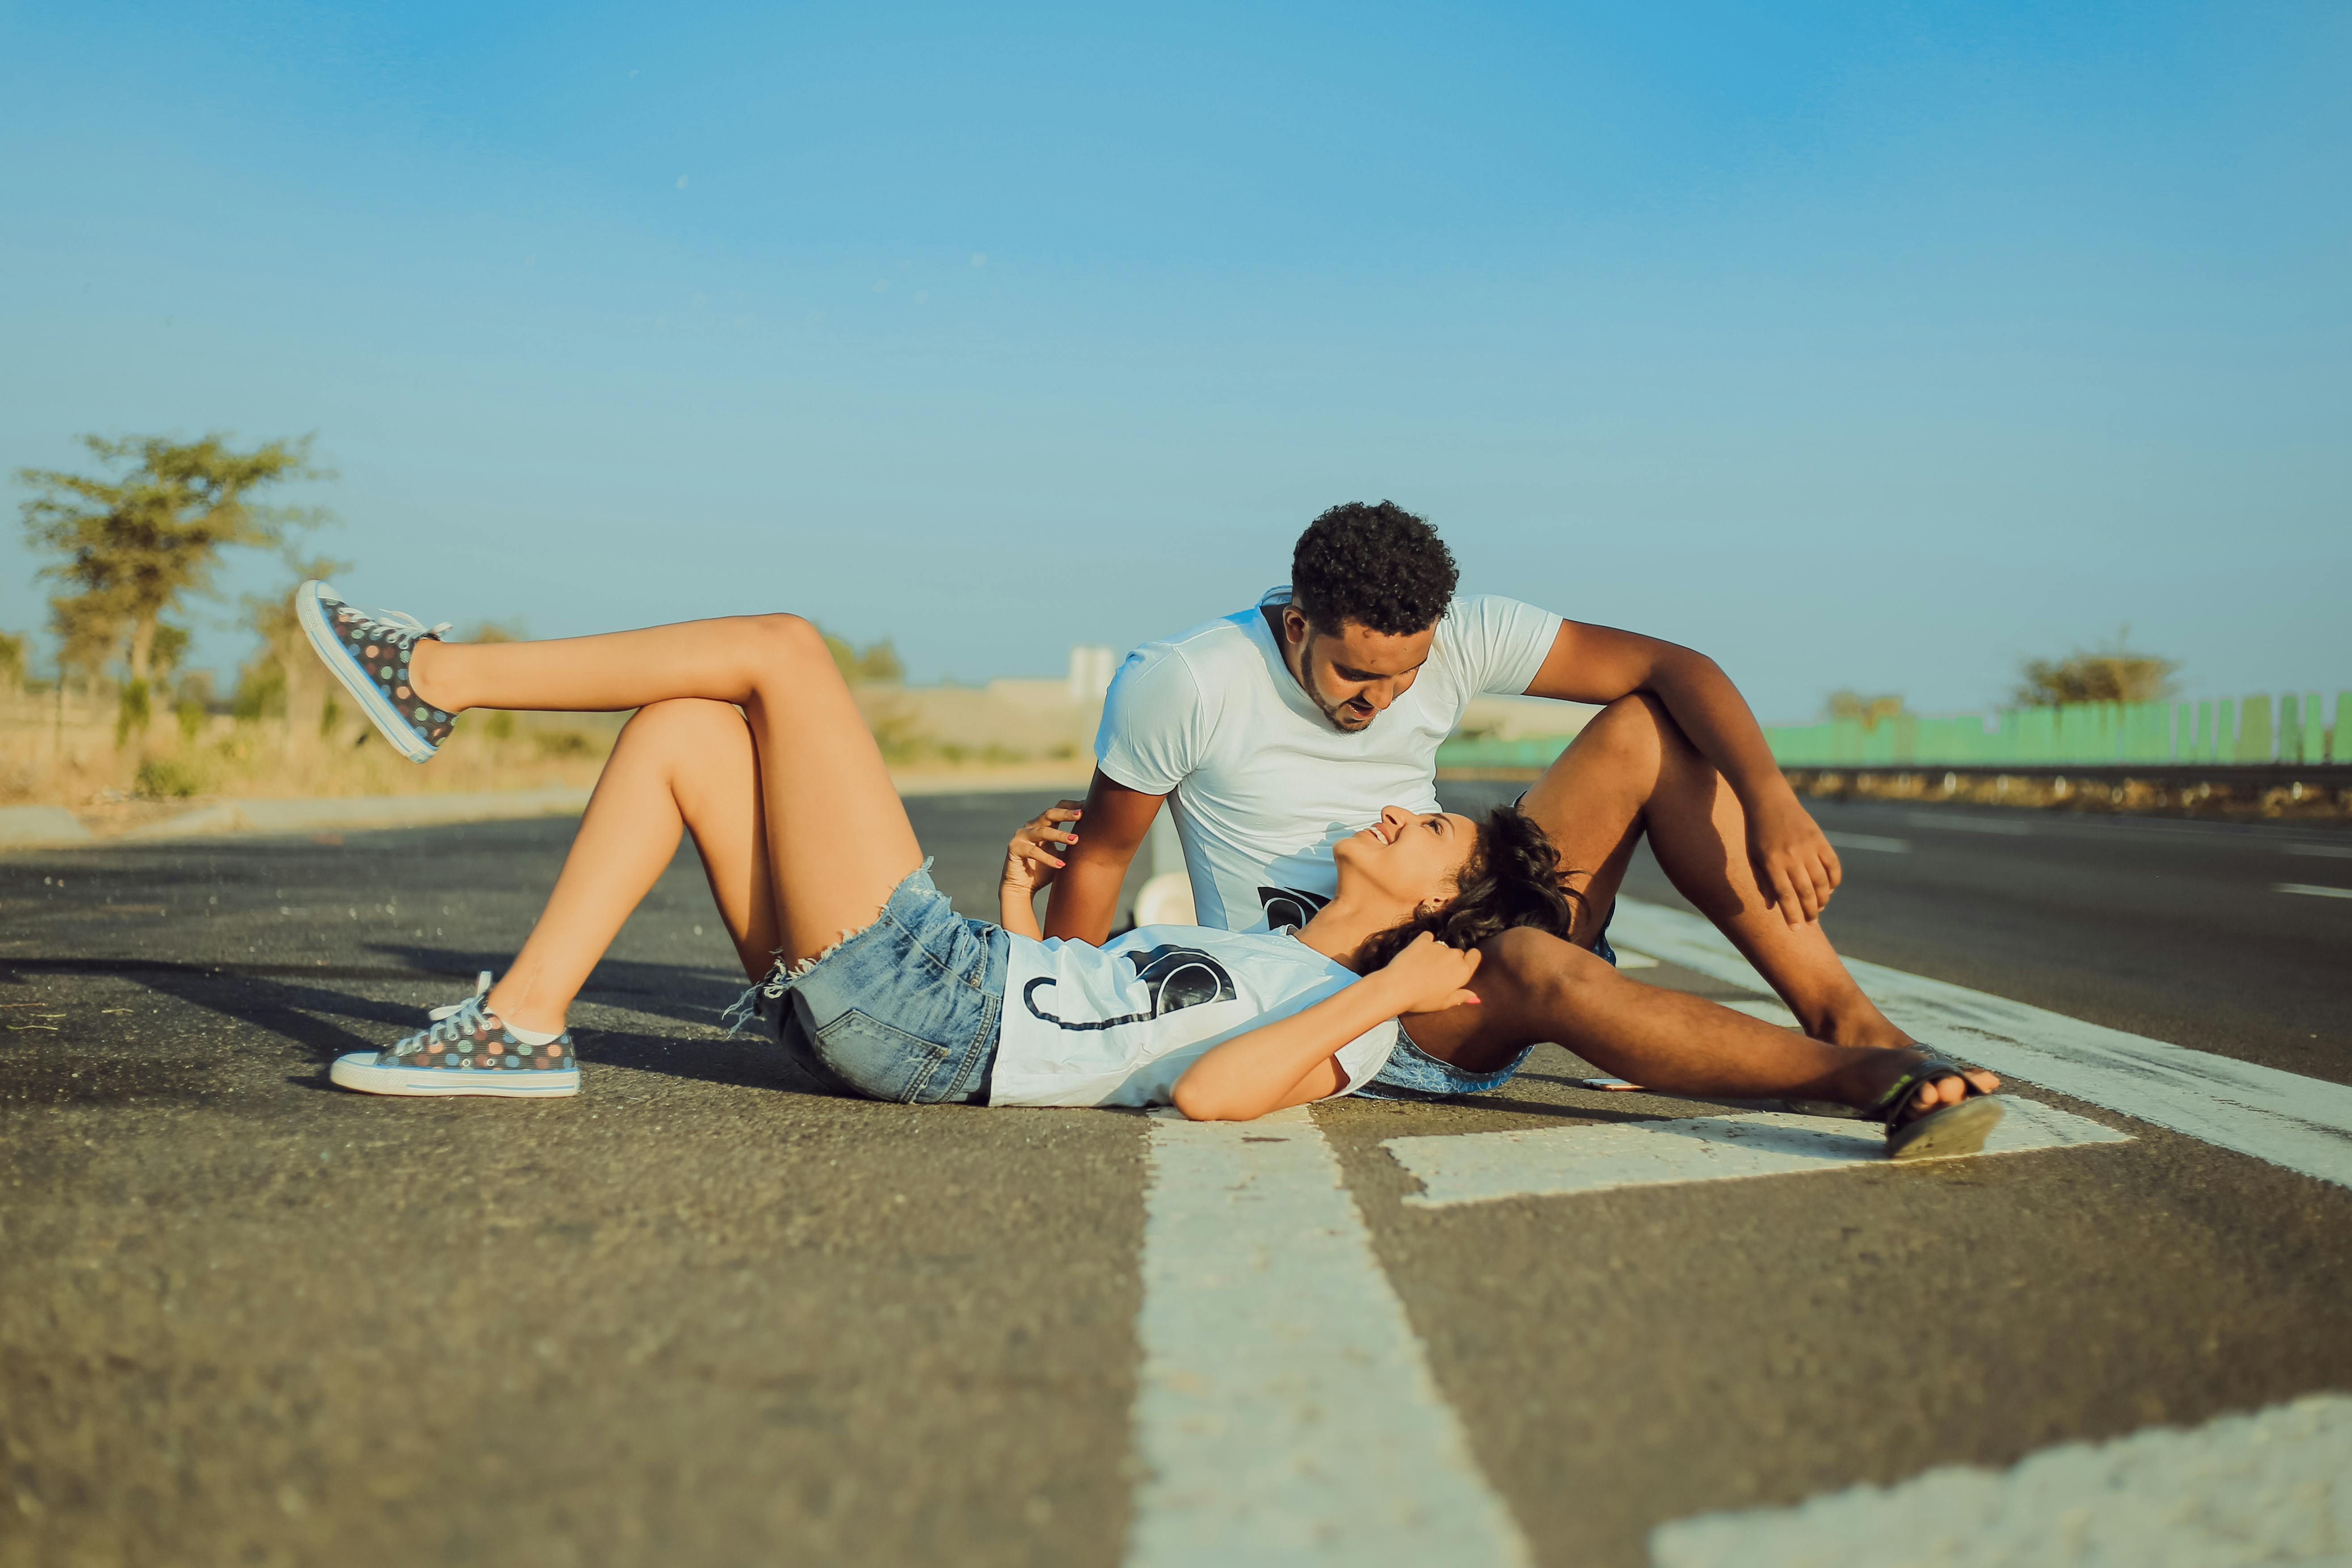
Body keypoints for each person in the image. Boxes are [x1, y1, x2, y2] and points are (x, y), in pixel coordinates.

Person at [292, 581, 2001, 1151]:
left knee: (784, 654)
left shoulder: (1354, 994)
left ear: (1430, 916)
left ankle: (433, 675)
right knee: (686, 731)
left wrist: (1405, 980)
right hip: (951, 988)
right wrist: (1036, 910)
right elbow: (1113, 984)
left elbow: (1207, 1088)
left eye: (1421, 825)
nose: (1401, 779)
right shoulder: (1281, 894)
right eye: (1401, 785)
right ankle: (517, 1027)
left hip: (933, 1013)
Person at [1046, 501, 1938, 1102]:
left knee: (1646, 724)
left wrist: (1769, 796)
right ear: (1296, 625)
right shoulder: (1187, 680)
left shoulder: (1465, 635)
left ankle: (1842, 1018)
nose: (1379, 701)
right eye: (1355, 674)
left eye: (1405, 675)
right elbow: (1099, 860)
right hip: (1345, 1007)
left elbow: (1677, 665)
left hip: (1453, 901)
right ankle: (1861, 1079)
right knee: (1528, 965)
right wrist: (1060, 1030)